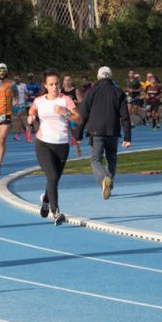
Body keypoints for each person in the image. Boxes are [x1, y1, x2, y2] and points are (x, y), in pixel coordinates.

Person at [29, 71, 82, 226]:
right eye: (51, 84)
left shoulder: (66, 100)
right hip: (43, 143)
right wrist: (31, 116)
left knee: (54, 179)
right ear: (45, 86)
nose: (55, 87)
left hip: (62, 145)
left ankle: (45, 200)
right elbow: (32, 110)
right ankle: (56, 212)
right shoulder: (39, 100)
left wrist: (65, 113)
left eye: (57, 83)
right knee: (52, 177)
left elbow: (78, 119)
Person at [77, 66, 131, 200]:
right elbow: (125, 116)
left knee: (96, 159)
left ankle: (103, 179)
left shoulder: (91, 92)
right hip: (113, 130)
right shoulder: (119, 92)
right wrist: (127, 137)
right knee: (111, 159)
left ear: (98, 77)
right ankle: (109, 185)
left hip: (95, 131)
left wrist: (78, 134)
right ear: (111, 77)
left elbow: (83, 115)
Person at [60, 74, 84, 156]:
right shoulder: (61, 91)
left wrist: (76, 101)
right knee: (63, 130)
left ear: (71, 81)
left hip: (72, 113)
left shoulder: (75, 90)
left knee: (74, 131)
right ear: (63, 81)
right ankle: (61, 150)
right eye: (66, 80)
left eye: (69, 80)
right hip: (64, 113)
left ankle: (78, 147)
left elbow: (81, 100)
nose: (67, 81)